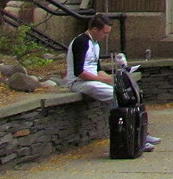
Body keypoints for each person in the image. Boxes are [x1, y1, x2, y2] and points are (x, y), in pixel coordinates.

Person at [66, 14, 159, 151]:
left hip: (92, 80)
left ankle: (141, 134)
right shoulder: (81, 42)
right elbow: (79, 72)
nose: (106, 36)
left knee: (129, 92)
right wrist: (103, 80)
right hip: (79, 82)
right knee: (119, 96)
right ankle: (132, 136)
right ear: (95, 29)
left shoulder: (95, 44)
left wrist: (112, 79)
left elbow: (97, 69)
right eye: (105, 33)